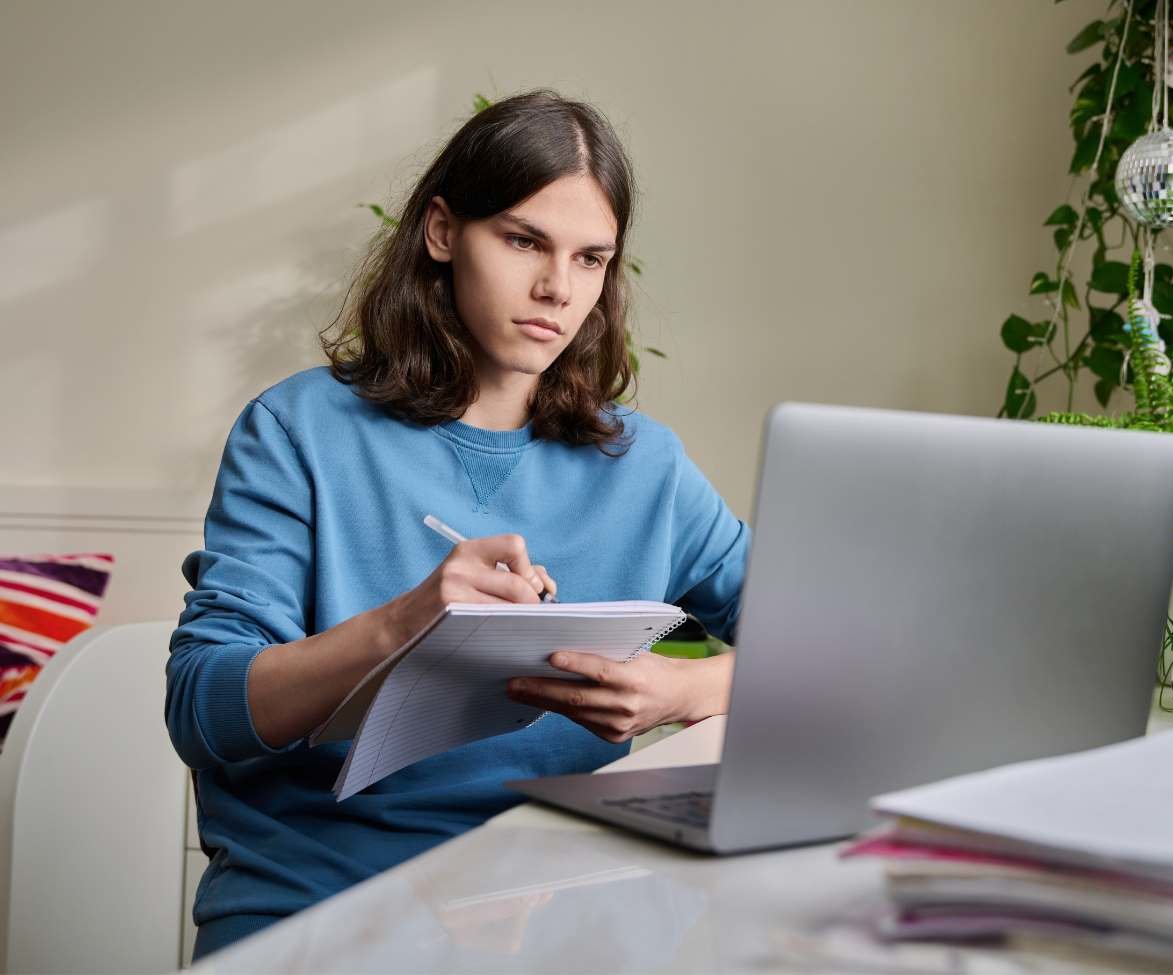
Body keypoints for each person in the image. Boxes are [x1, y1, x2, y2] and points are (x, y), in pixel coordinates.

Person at [166, 88, 750, 960]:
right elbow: (201, 709)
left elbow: (829, 650)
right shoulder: (298, 431)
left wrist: (682, 691)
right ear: (443, 232)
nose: (558, 287)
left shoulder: (646, 467)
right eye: (523, 241)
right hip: (326, 904)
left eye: (592, 258)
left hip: (558, 900)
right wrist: (403, 623)